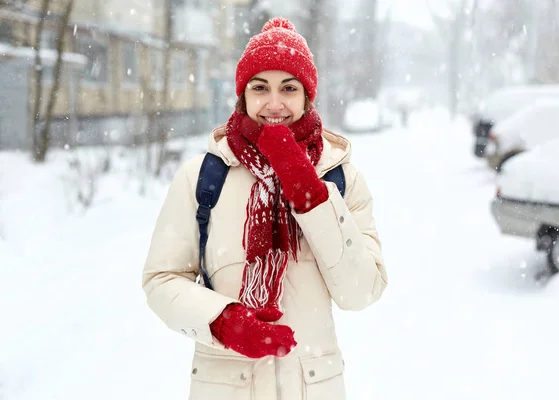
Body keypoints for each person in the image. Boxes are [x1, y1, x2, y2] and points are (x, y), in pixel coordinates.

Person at [142, 16, 387, 400]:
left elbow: (360, 292)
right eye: (260, 88)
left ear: (307, 96)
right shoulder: (203, 177)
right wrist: (222, 321)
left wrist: (312, 197)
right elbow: (162, 279)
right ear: (243, 96)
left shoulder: (341, 179)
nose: (274, 104)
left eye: (289, 88)